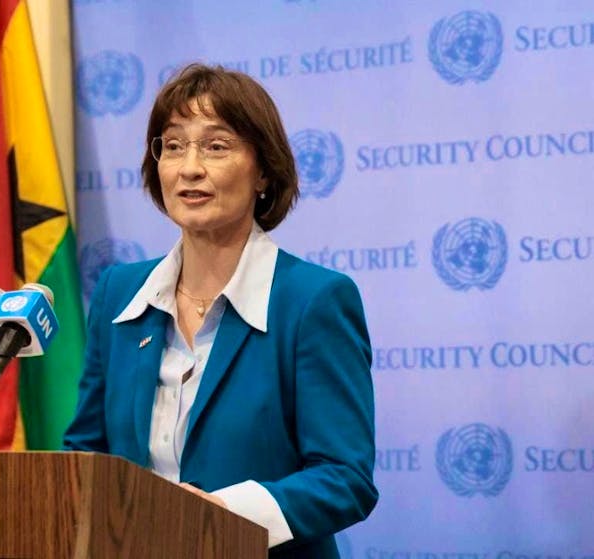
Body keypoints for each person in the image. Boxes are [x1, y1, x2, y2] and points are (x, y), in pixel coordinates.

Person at [64, 63, 377, 558]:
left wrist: (220, 512)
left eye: (216, 146)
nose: (190, 167)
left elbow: (345, 478)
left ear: (264, 172)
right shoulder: (119, 293)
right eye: (172, 145)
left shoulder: (313, 300)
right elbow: (85, 454)